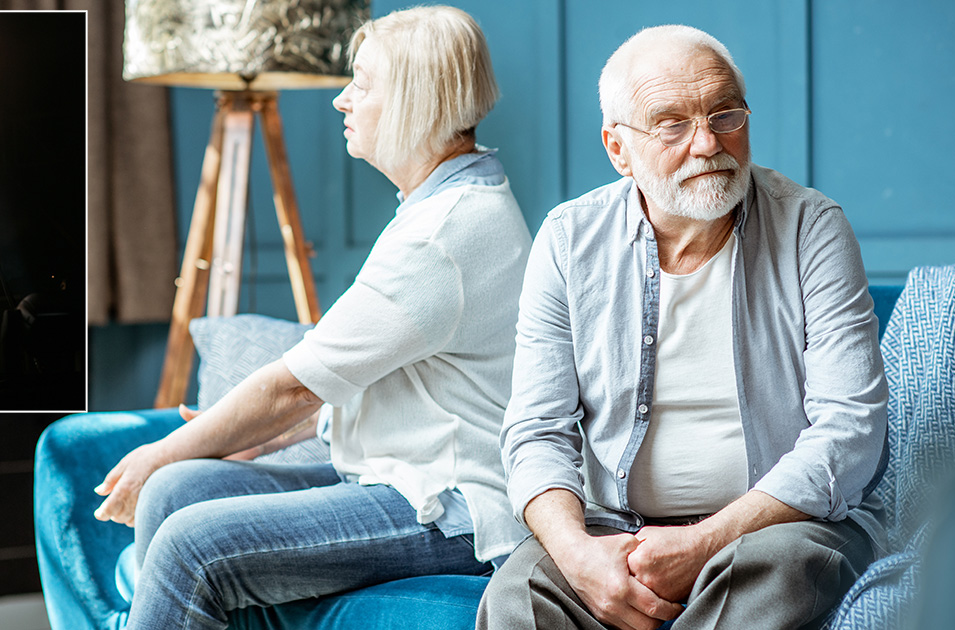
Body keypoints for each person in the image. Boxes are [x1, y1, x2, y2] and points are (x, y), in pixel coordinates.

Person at [92, 7, 533, 629]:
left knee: (188, 538)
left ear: (415, 100)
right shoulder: (440, 206)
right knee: (177, 489)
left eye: (362, 83)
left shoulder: (442, 236)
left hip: (451, 508)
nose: (342, 101)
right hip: (402, 477)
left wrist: (159, 451)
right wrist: (254, 439)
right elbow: (368, 380)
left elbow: (293, 384)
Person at [478, 25, 888, 630]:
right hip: (615, 525)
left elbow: (849, 432)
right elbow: (537, 429)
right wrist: (580, 556)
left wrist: (701, 543)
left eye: (725, 115)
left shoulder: (812, 227)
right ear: (618, 149)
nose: (706, 144)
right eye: (672, 124)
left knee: (775, 571)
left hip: (782, 527)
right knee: (521, 593)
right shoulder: (568, 240)